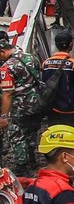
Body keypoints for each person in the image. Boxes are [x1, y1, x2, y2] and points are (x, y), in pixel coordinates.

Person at [41, 30, 74, 169]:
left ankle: (56, 162)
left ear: (56, 45)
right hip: (72, 109)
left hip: (53, 108)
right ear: (71, 45)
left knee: (56, 135)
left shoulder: (46, 63)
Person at [0, 39, 42, 175]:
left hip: (20, 106)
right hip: (36, 103)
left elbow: (7, 93)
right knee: (31, 132)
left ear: (2, 52)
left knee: (16, 134)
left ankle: (22, 165)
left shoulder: (7, 67)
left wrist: (4, 116)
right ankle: (32, 159)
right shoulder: (30, 57)